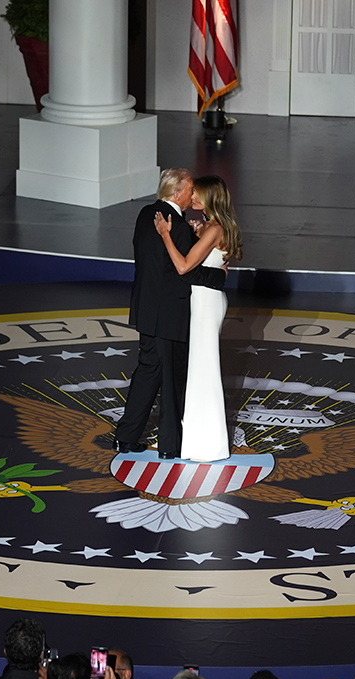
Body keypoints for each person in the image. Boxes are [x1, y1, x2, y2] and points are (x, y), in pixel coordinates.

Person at [114, 168, 228, 460]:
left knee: (147, 372)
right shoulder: (175, 225)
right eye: (190, 190)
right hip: (171, 312)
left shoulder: (144, 214)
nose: (193, 195)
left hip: (145, 307)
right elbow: (184, 271)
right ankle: (170, 446)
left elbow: (152, 261)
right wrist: (220, 276)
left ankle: (124, 438)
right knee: (171, 378)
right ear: (178, 193)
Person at [153, 174, 242, 463]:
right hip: (208, 301)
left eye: (196, 194)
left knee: (203, 371)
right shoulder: (216, 227)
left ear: (209, 197)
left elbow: (183, 267)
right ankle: (199, 440)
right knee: (200, 370)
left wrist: (166, 234)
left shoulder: (213, 229)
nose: (191, 198)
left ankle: (205, 444)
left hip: (204, 304)